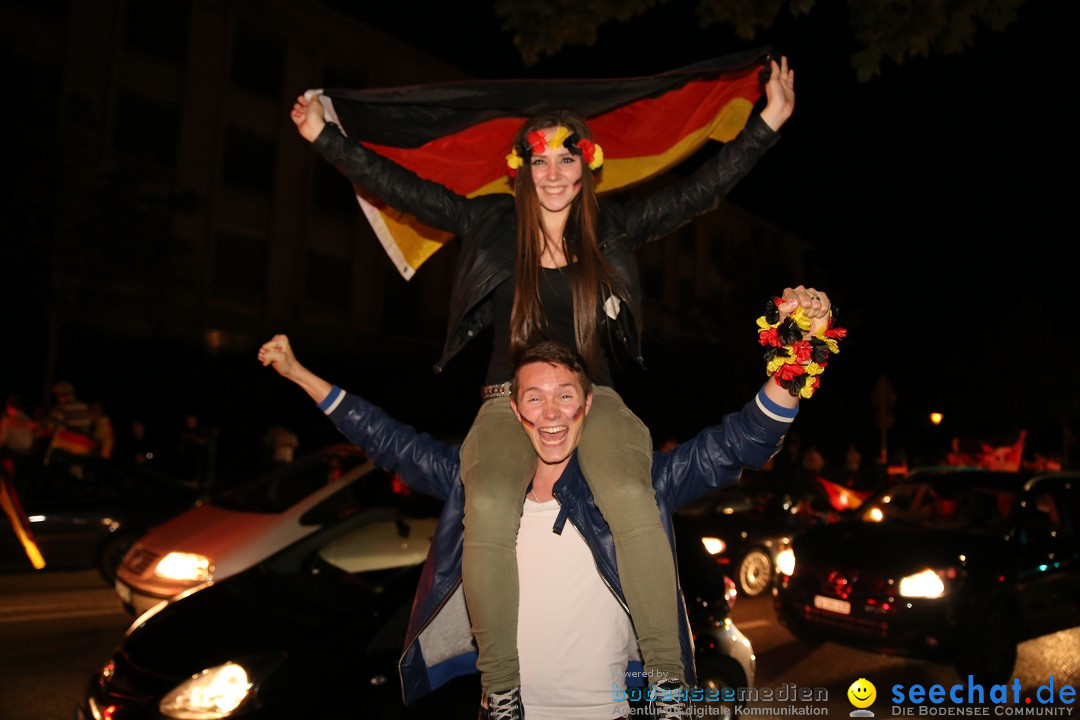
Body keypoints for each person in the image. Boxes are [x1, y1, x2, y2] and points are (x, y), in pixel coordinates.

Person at [291, 56, 796, 719]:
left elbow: (698, 191)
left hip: (597, 398)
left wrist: (767, 124)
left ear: (587, 166)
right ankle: (501, 687)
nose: (553, 174)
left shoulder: (612, 227)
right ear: (521, 170)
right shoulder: (491, 224)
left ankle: (669, 683)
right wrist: (325, 138)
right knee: (491, 505)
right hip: (508, 401)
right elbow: (406, 188)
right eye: (540, 162)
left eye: (566, 160)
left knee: (628, 492)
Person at [260, 288, 838, 719]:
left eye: (566, 396)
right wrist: (299, 375)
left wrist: (800, 349)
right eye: (534, 397)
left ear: (588, 407)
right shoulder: (473, 490)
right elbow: (387, 441)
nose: (552, 412)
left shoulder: (639, 486)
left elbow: (738, 443)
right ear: (515, 413)